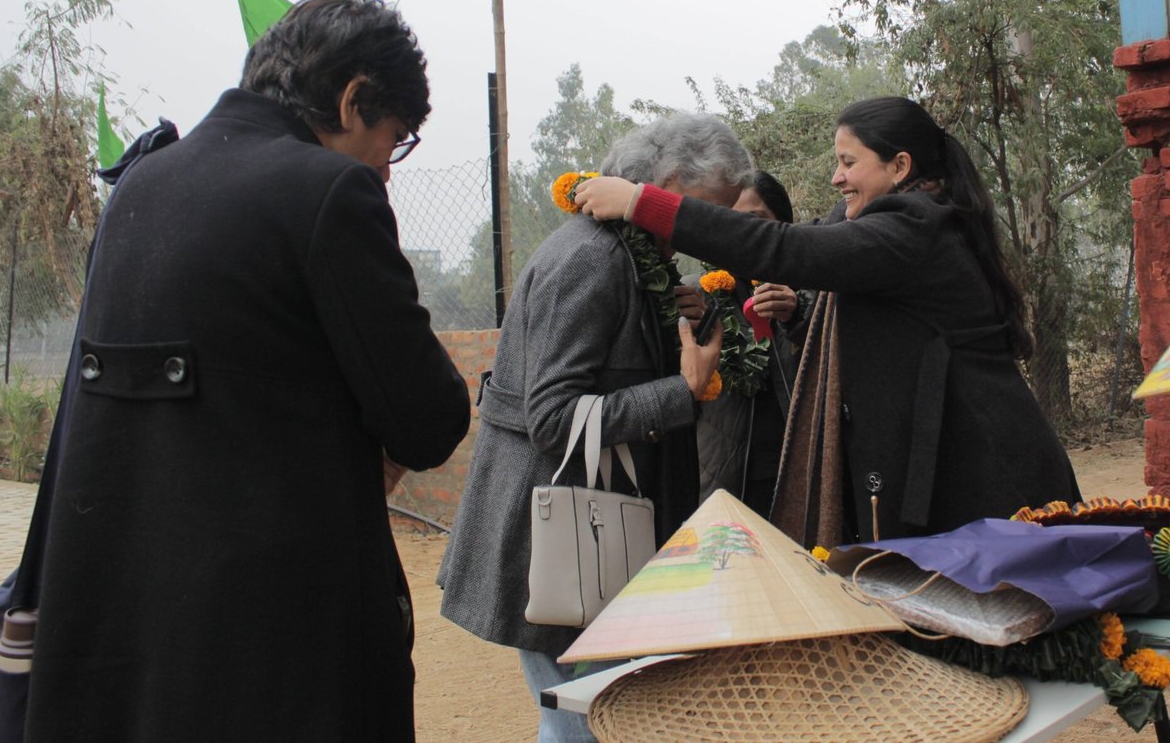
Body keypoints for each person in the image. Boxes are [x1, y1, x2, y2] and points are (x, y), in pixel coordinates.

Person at [20, 0, 472, 742]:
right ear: (353, 98)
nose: (387, 173)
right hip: (281, 660)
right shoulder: (327, 192)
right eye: (393, 140)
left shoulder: (139, 185)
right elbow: (428, 417)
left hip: (128, 640)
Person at [576, 96, 1080, 549]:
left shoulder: (914, 229)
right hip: (951, 468)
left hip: (987, 473)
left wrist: (642, 203)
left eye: (848, 162)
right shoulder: (887, 221)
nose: (837, 178)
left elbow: (785, 247)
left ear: (900, 166)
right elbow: (797, 242)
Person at [437, 113, 751, 743]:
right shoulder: (591, 259)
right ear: (669, 182)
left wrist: (685, 323)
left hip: (593, 547)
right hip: (565, 551)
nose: (708, 228)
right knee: (583, 727)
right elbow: (554, 417)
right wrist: (682, 390)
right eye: (708, 207)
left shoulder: (630, 255)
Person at [694, 170, 805, 514]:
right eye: (731, 220)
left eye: (755, 219)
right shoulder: (696, 296)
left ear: (782, 224)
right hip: (724, 478)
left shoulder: (808, 289)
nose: (741, 231)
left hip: (797, 471)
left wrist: (796, 314)